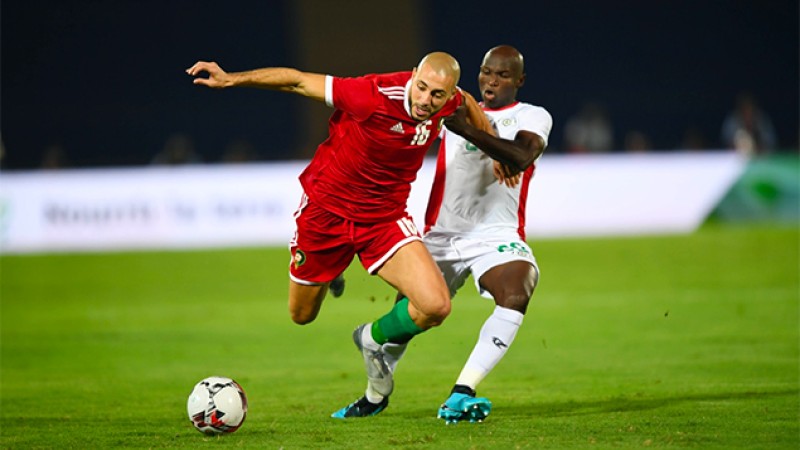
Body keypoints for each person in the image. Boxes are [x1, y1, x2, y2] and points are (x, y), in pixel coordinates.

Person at [186, 52, 496, 412]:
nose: (426, 100)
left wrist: (493, 147)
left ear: (449, 93)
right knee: (302, 315)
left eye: (437, 94)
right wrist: (232, 78)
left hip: (383, 219)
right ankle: (333, 268)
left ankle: (371, 339)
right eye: (422, 87)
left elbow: (469, 103)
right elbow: (297, 81)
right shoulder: (371, 95)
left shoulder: (452, 101)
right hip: (326, 215)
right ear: (413, 75)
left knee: (436, 306)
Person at [331, 45, 552, 423]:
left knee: (517, 290)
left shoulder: (531, 116)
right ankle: (373, 392)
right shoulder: (450, 107)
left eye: (502, 75)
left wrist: (470, 132)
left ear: (519, 80)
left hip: (496, 235)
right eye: (486, 72)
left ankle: (462, 393)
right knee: (408, 321)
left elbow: (520, 156)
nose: (492, 81)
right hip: (441, 236)